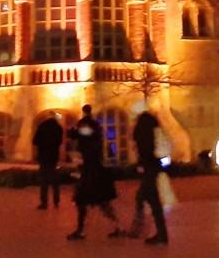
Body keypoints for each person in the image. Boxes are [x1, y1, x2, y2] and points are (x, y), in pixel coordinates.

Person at [66, 104, 120, 240]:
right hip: (98, 169)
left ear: (84, 112)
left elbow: (75, 134)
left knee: (82, 200)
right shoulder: (97, 126)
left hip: (89, 170)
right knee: (102, 201)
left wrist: (74, 131)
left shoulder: (85, 126)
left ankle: (81, 230)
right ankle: (116, 226)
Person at [126, 108, 169, 245]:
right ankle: (160, 233)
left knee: (146, 197)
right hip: (153, 166)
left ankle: (142, 228)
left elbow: (143, 151)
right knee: (150, 199)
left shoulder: (142, 132)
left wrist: (141, 164)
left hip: (149, 168)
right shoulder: (152, 129)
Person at [32, 113, 63, 209]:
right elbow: (60, 141)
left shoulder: (42, 126)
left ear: (47, 116)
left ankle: (44, 203)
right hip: (53, 156)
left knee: (43, 180)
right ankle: (56, 201)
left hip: (43, 156)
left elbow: (35, 141)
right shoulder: (58, 127)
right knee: (54, 179)